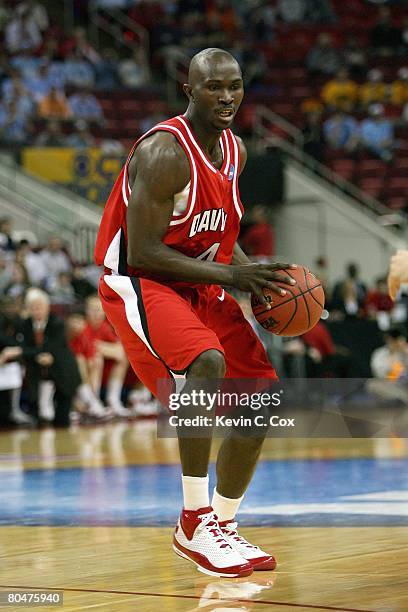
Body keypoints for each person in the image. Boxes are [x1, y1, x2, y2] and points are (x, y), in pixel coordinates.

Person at [95, 47, 297, 577]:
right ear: (189, 91)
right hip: (143, 281)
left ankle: (222, 526)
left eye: (234, 86)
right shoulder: (165, 152)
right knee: (205, 361)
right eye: (214, 87)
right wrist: (234, 277)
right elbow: (142, 251)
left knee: (260, 397)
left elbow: (223, 240)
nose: (227, 96)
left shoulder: (236, 152)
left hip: (198, 283)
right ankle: (192, 519)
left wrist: (258, 281)